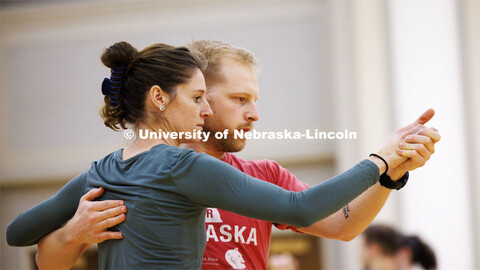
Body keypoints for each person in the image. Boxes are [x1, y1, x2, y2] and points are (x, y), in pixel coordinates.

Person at [7, 41, 440, 269]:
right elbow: (45, 260)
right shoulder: (176, 166)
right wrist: (74, 233)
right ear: (196, 98)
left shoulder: (110, 168)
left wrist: (389, 174)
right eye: (239, 98)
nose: (254, 114)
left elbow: (341, 225)